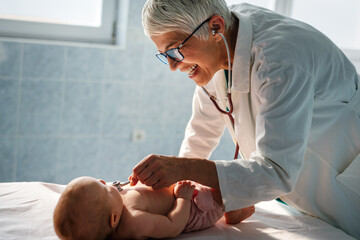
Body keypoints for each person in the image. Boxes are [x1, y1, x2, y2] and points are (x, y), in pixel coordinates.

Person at [130, 0, 360, 238]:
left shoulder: (279, 61)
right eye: (164, 55)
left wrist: (184, 168)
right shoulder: (219, 42)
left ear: (216, 27)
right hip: (302, 190)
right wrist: (175, 182)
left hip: (346, 183)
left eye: (175, 50)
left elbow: (277, 171)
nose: (172, 66)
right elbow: (202, 131)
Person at [53, 176, 255, 240]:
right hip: (194, 208)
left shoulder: (114, 206)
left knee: (216, 178)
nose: (105, 181)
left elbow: (139, 195)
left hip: (181, 189)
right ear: (113, 219)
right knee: (223, 192)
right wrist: (182, 199)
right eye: (104, 187)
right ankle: (233, 212)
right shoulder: (134, 222)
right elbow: (173, 224)